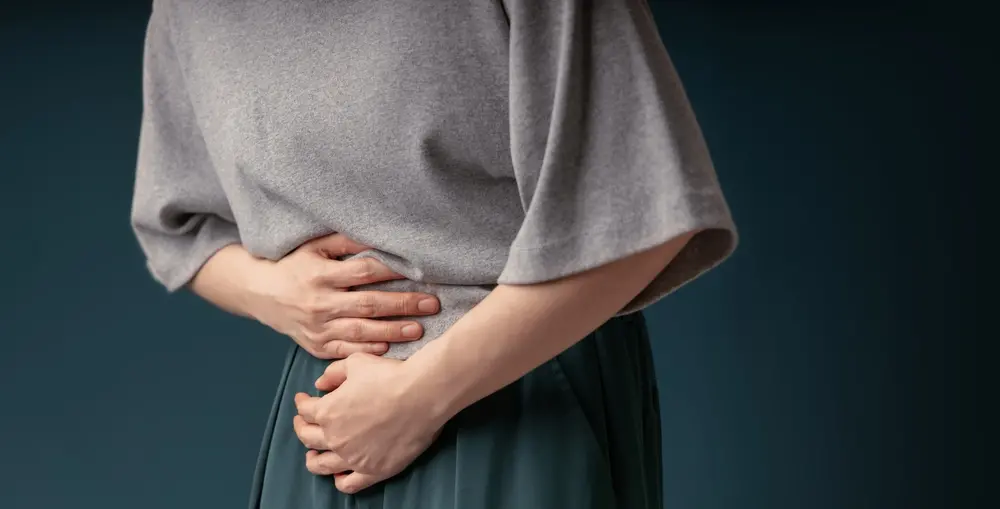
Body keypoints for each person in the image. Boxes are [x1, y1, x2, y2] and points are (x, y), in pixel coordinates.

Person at [129, 0, 738, 507]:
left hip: (521, 391)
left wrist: (418, 398)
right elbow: (176, 227)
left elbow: (645, 213)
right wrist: (278, 294)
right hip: (331, 423)